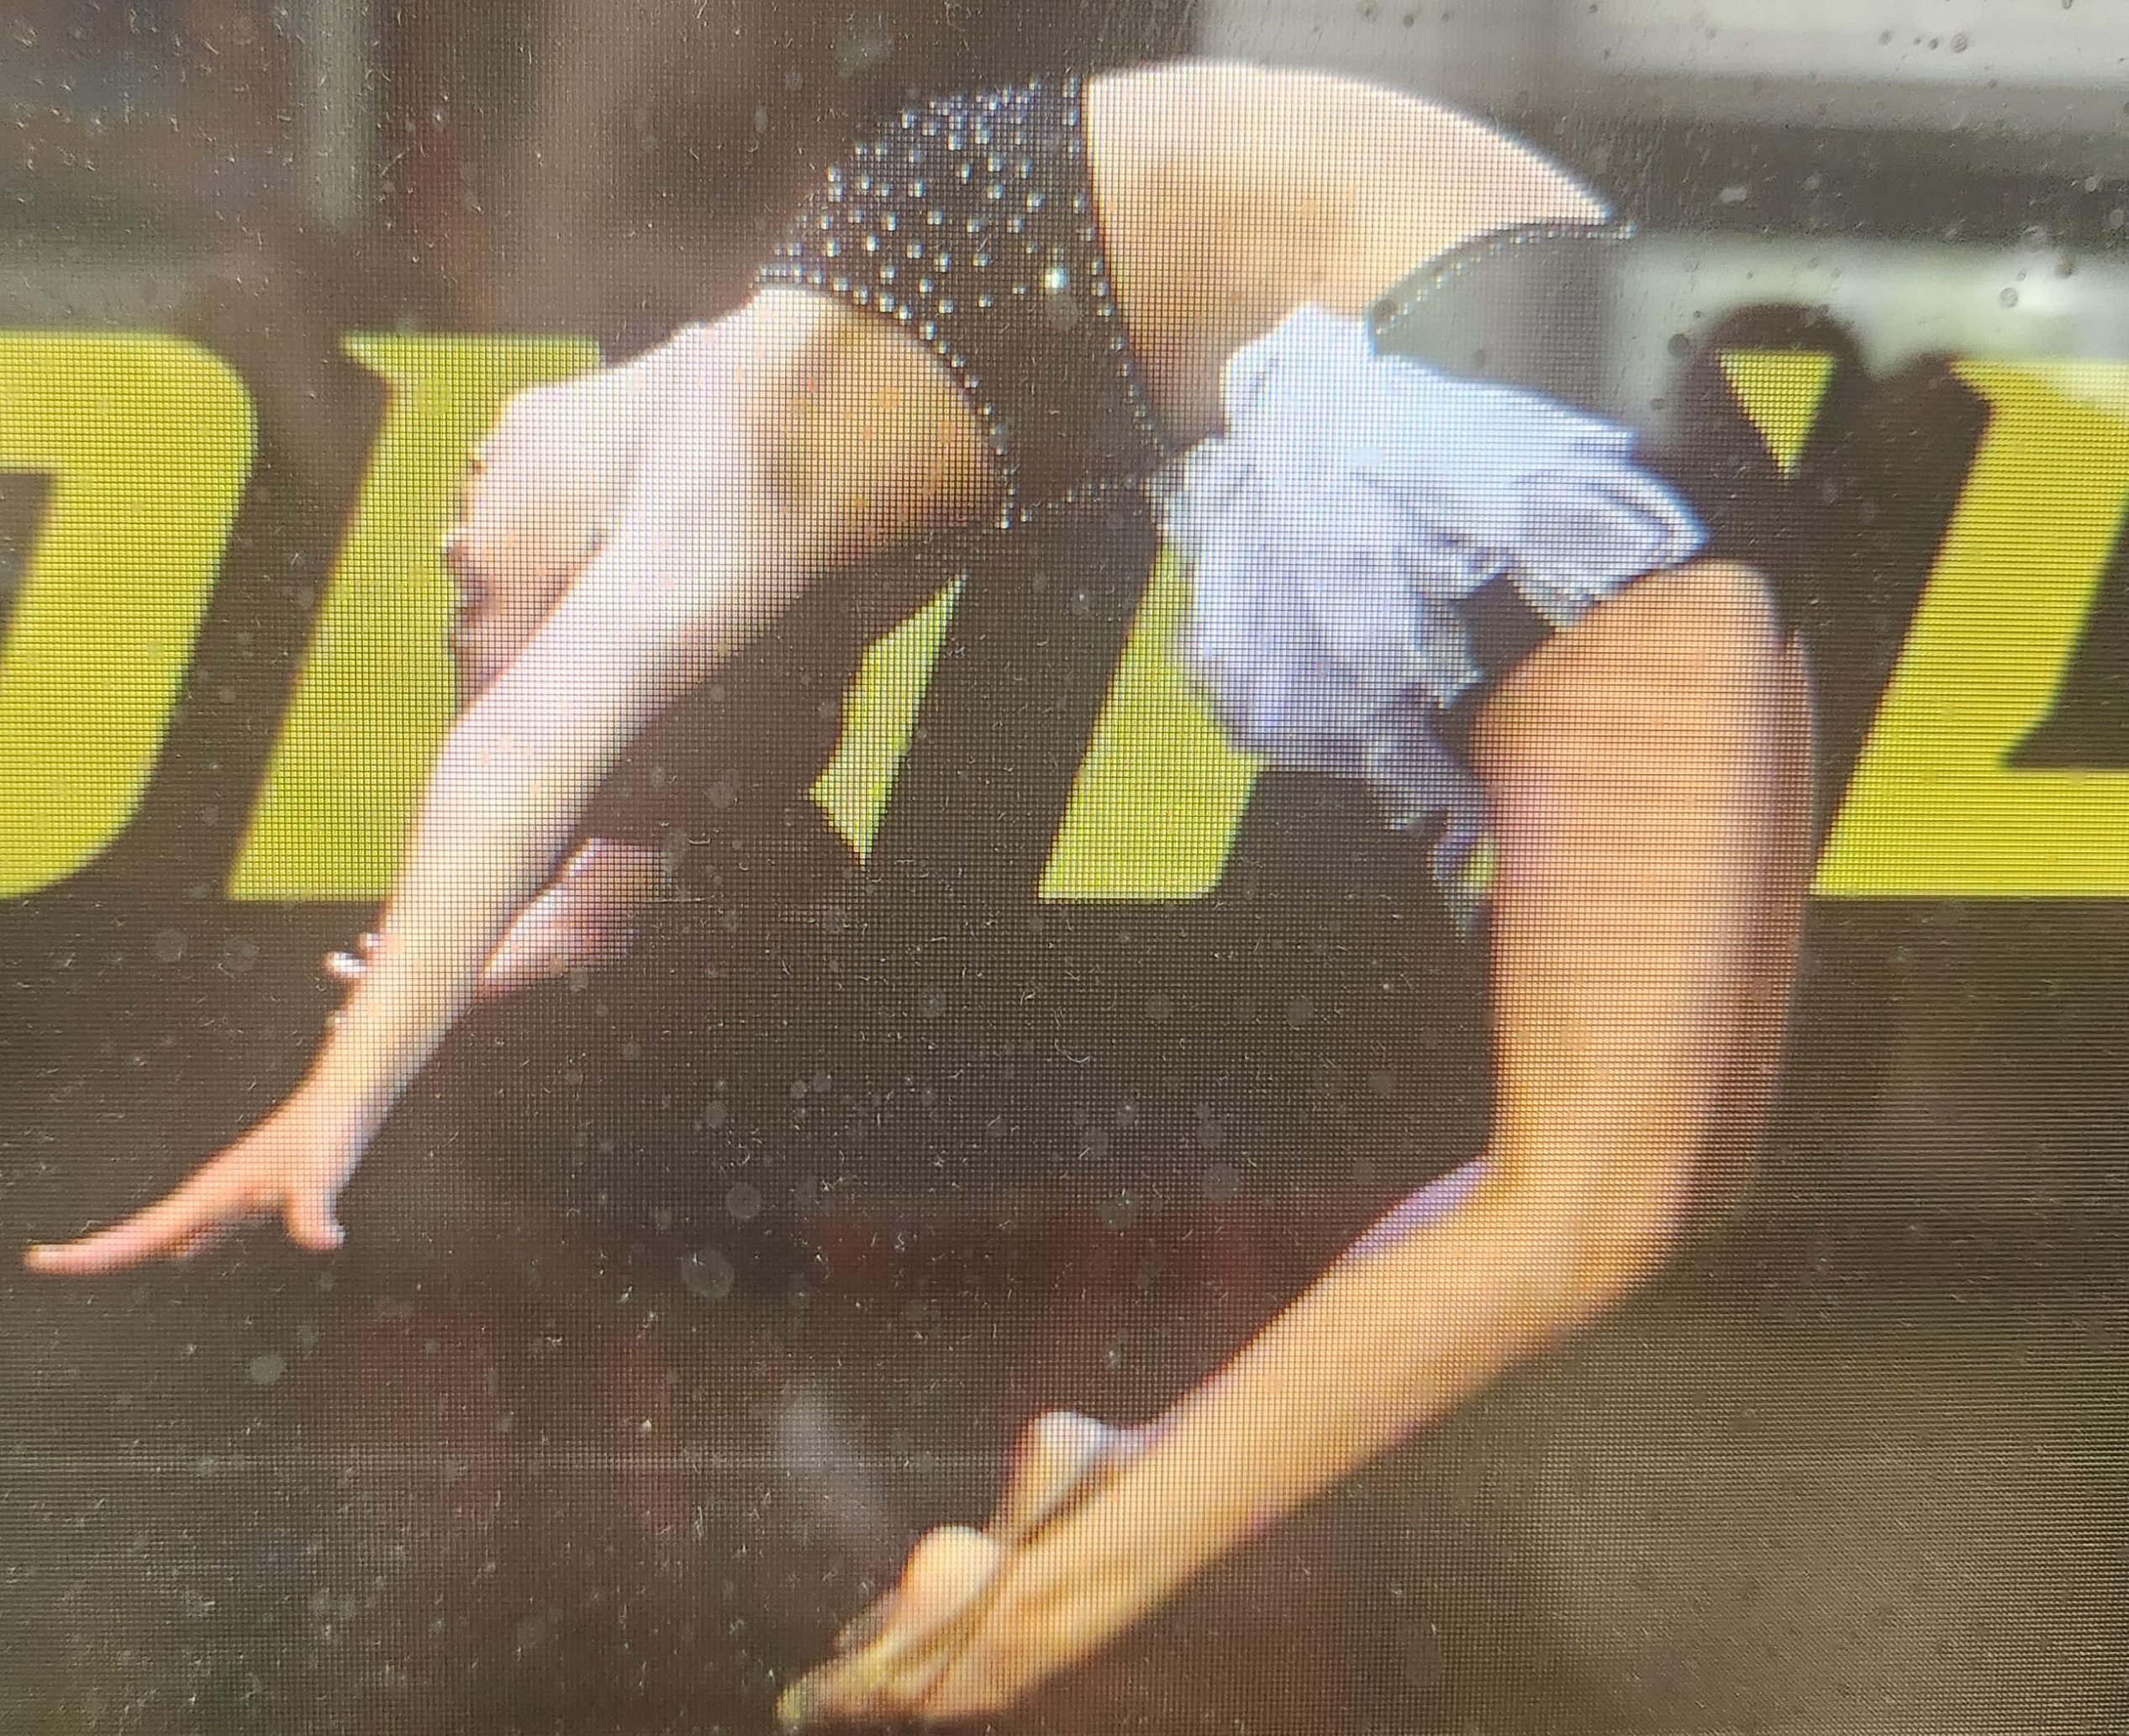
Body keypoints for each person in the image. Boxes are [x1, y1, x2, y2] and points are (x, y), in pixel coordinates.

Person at [24, 60, 1813, 1725]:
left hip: (1562, 373)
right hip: (1518, 404)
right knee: (1586, 1204)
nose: (449, 538)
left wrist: (585, 887)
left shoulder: (825, 414)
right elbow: (532, 750)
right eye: (481, 609)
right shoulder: (757, 455)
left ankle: (1113, 1485)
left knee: (1669, 1172)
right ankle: (1009, 1614)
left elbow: (621, 749)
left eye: (465, 603)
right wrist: (341, 1098)